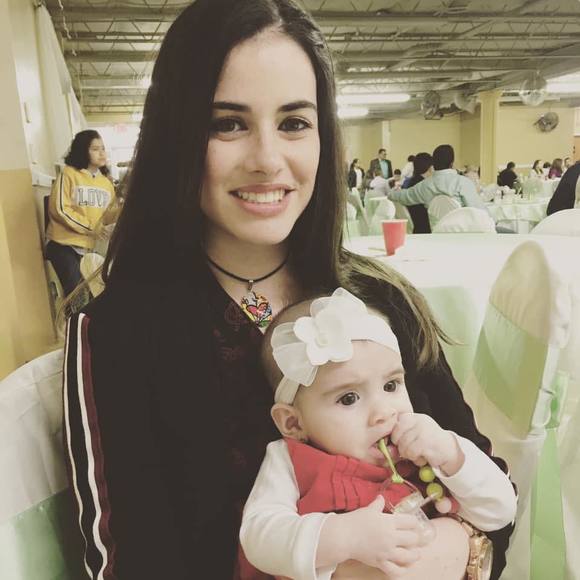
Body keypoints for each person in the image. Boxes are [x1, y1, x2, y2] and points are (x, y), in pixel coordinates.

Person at [61, 1, 514, 578]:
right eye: (228, 124)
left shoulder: (380, 300)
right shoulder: (119, 330)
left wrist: (460, 551)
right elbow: (130, 562)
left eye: (294, 123)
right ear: (177, 135)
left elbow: (492, 493)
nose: (268, 160)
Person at [241, 288, 517, 580]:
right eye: (348, 398)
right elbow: (258, 538)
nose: (383, 412)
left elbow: (500, 512)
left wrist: (453, 456)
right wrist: (345, 536)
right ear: (294, 423)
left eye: (391, 385)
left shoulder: (428, 448)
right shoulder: (290, 461)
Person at [45, 130, 115, 295]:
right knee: (78, 296)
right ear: (83, 151)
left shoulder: (106, 183)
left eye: (103, 148)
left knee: (96, 293)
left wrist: (121, 207)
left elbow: (108, 216)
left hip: (88, 248)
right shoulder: (69, 173)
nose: (101, 153)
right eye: (95, 149)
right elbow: (60, 209)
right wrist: (93, 228)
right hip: (63, 245)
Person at [388, 144, 487, 212]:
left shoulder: (424, 185)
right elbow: (480, 211)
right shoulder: (463, 182)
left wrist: (391, 193)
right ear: (451, 163)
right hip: (464, 233)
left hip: (436, 232)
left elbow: (404, 196)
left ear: (433, 163)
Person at [402, 152, 433, 234]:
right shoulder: (425, 185)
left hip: (415, 226)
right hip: (426, 228)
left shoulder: (410, 183)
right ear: (429, 167)